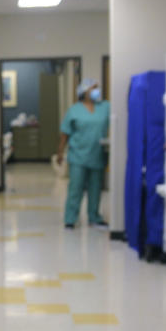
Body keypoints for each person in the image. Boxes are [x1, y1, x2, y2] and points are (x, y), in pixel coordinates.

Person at [57, 78, 110, 228]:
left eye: (97, 88)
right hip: (77, 156)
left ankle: (94, 217)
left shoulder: (105, 106)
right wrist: (60, 153)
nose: (96, 91)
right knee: (75, 188)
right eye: (93, 88)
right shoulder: (74, 110)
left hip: (98, 155)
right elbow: (65, 133)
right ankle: (70, 219)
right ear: (83, 92)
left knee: (95, 189)